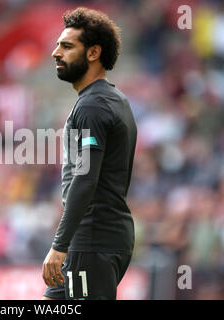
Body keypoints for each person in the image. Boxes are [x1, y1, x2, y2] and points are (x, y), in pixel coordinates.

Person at [42, 7, 137, 300]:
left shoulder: (92, 106)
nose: (56, 53)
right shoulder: (113, 99)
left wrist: (60, 245)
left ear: (94, 53)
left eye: (67, 46)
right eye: (58, 45)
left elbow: (85, 179)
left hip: (93, 240)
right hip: (100, 238)